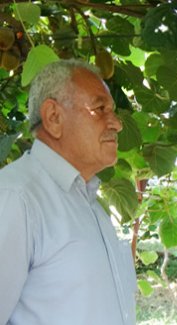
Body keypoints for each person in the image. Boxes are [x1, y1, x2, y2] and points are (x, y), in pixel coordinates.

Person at [0, 60, 136, 324]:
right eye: (100, 109)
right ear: (53, 117)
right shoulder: (16, 198)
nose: (117, 124)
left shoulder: (92, 207)